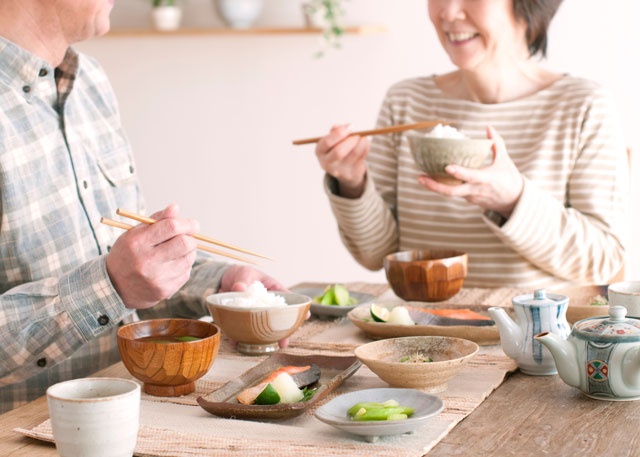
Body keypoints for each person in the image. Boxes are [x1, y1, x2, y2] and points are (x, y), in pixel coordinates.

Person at [0, 0, 285, 413]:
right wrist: (110, 286)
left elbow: (126, 269)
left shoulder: (89, 81)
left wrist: (218, 286)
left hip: (128, 416)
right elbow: (115, 281)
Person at [315, 0, 628, 289]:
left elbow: (602, 262)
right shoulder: (406, 101)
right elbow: (375, 254)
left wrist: (513, 200)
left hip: (530, 344)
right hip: (416, 335)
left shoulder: (583, 105)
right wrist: (352, 184)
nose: (449, 13)